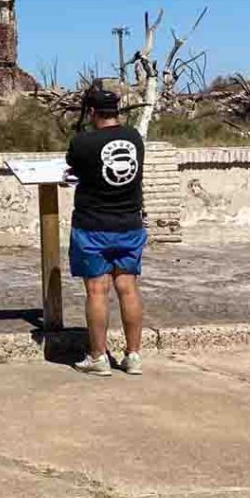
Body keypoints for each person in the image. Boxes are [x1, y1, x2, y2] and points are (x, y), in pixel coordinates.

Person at [65, 86, 146, 377]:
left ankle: (98, 356)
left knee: (97, 290)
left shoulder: (83, 142)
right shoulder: (134, 137)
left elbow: (73, 164)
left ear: (92, 112)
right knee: (128, 287)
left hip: (93, 226)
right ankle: (133, 355)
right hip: (129, 224)